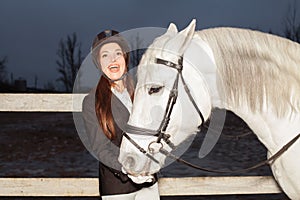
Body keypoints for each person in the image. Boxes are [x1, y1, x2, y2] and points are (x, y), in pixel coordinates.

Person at [82, 29, 160, 200]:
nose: (113, 59)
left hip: (148, 182)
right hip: (117, 187)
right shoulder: (91, 101)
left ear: (125, 58)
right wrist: (127, 169)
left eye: (118, 53)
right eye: (105, 55)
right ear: (99, 63)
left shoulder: (141, 91)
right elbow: (99, 148)